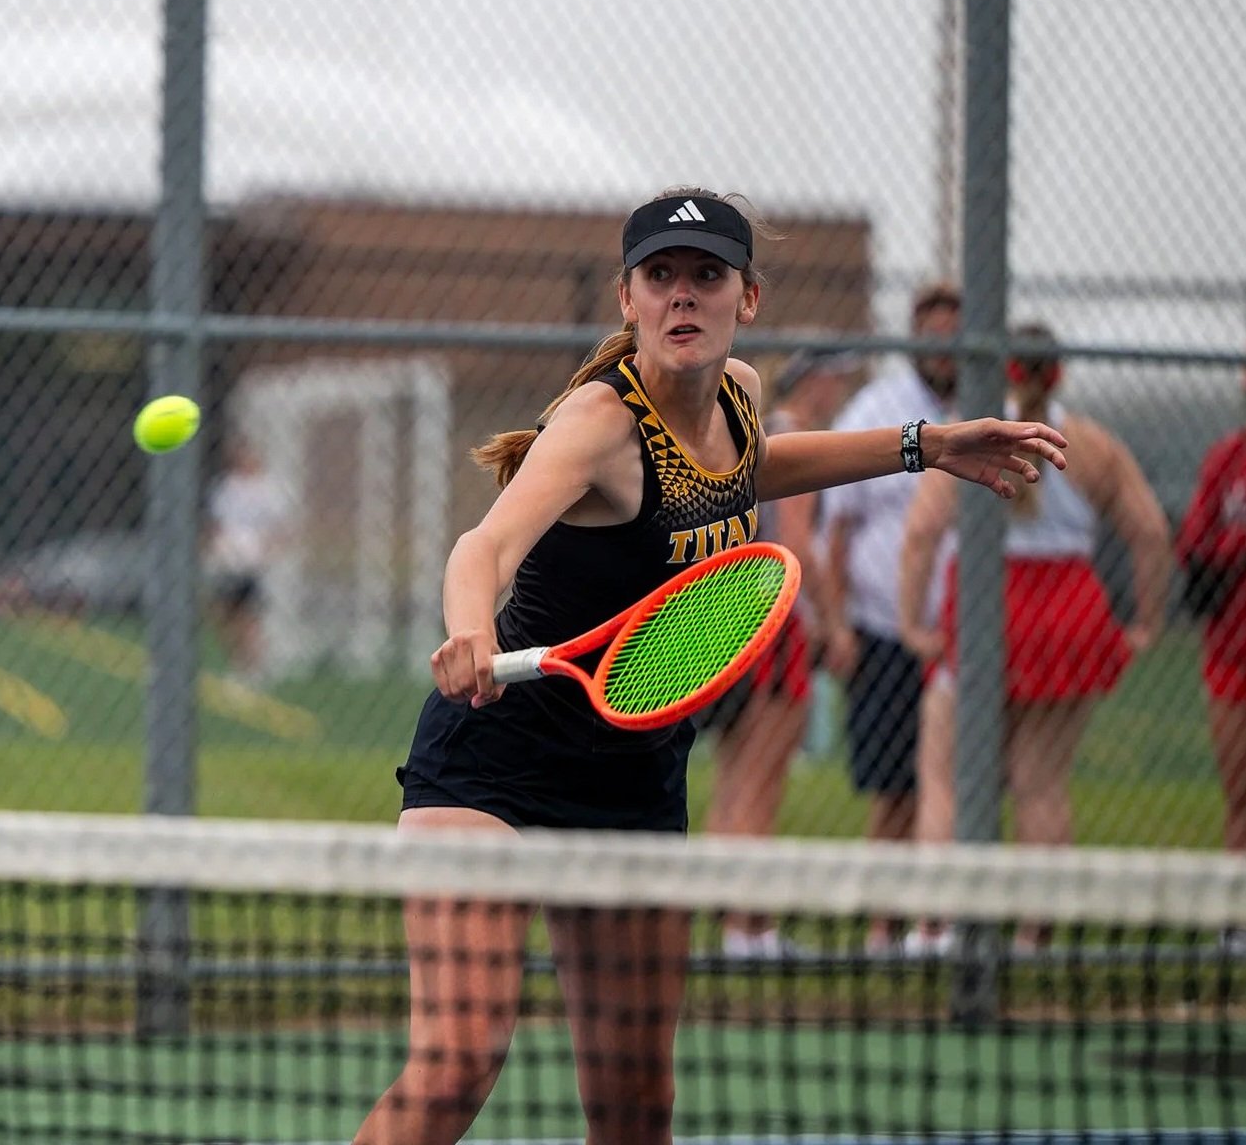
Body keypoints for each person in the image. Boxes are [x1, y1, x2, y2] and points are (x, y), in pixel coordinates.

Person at [356, 186, 1067, 1145]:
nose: (681, 297)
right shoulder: (598, 425)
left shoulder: (739, 396)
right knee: (458, 1062)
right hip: (491, 770)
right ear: (627, 299)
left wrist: (927, 444)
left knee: (636, 1103)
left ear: (748, 297)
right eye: (660, 277)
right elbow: (481, 546)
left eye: (704, 276)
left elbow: (752, 470)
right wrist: (468, 631)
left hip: (633, 782)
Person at [897, 326, 1169, 952]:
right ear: (1060, 375)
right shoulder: (1092, 444)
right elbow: (1151, 533)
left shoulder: (966, 436)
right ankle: (1035, 935)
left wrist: (916, 622)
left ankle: (936, 927)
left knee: (946, 777)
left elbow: (921, 535)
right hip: (1067, 612)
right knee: (1041, 783)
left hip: (988, 606)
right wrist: (1147, 620)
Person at [701, 348, 863, 959]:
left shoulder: (755, 432)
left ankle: (731, 925)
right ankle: (749, 929)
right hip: (773, 622)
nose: (841, 392)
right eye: (837, 380)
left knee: (735, 781)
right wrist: (834, 623)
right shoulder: (793, 437)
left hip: (735, 619)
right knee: (758, 785)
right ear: (815, 382)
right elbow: (798, 541)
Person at [817, 281, 960, 949]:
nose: (943, 348)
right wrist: (840, 626)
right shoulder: (875, 410)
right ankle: (883, 928)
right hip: (883, 633)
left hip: (971, 642)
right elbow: (836, 530)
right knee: (894, 789)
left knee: (962, 787)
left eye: (955, 334)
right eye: (930, 334)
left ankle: (943, 924)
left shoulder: (995, 407)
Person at [1175, 364, 1246, 888]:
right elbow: (1196, 548)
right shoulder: (1227, 459)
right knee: (1241, 792)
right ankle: (1235, 917)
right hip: (1233, 651)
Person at [204, 437, 290, 686]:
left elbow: (280, 529)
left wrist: (266, 552)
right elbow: (216, 524)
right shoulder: (227, 487)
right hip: (226, 562)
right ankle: (239, 663)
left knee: (248, 616)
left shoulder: (267, 490)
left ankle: (253, 668)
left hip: (251, 563)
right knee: (222, 615)